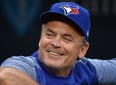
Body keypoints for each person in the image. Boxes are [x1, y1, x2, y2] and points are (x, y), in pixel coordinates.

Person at [0, 2, 116, 85]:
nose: (55, 43)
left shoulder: (86, 69)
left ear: (82, 50)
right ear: (40, 39)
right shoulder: (29, 66)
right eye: (50, 35)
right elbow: (4, 77)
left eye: (66, 38)